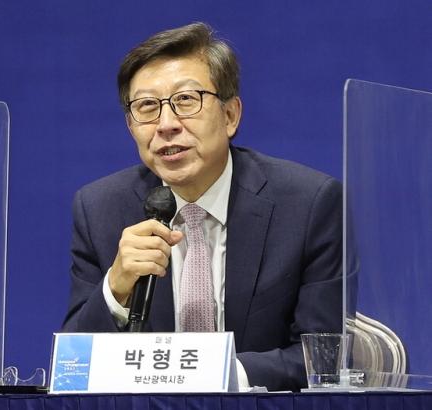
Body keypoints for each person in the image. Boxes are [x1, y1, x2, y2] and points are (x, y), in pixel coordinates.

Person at [62, 22, 343, 391]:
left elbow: (321, 359)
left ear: (230, 116)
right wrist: (115, 289)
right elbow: (74, 369)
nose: (166, 125)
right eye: (147, 107)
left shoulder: (308, 204)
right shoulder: (100, 208)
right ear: (131, 126)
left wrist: (215, 376)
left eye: (186, 100)